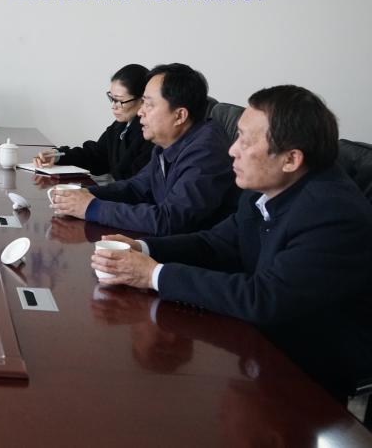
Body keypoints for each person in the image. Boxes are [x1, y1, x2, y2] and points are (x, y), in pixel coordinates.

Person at [91, 85, 372, 401]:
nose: (232, 150)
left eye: (246, 141)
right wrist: (143, 248)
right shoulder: (265, 188)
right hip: (258, 343)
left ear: (291, 159)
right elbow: (216, 244)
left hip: (309, 373)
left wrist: (152, 275)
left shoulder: (330, 212)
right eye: (237, 136)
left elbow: (264, 298)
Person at [50, 63, 238, 235]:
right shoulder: (169, 142)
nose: (140, 112)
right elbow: (136, 188)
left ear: (180, 115)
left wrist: (92, 208)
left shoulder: (206, 153)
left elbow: (170, 220)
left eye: (148, 104)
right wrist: (84, 194)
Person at [33, 63, 153, 180]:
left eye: (119, 101)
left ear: (142, 99)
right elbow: (96, 155)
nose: (113, 106)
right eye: (111, 98)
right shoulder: (121, 125)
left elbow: (135, 184)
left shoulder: (149, 134)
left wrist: (90, 192)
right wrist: (57, 155)